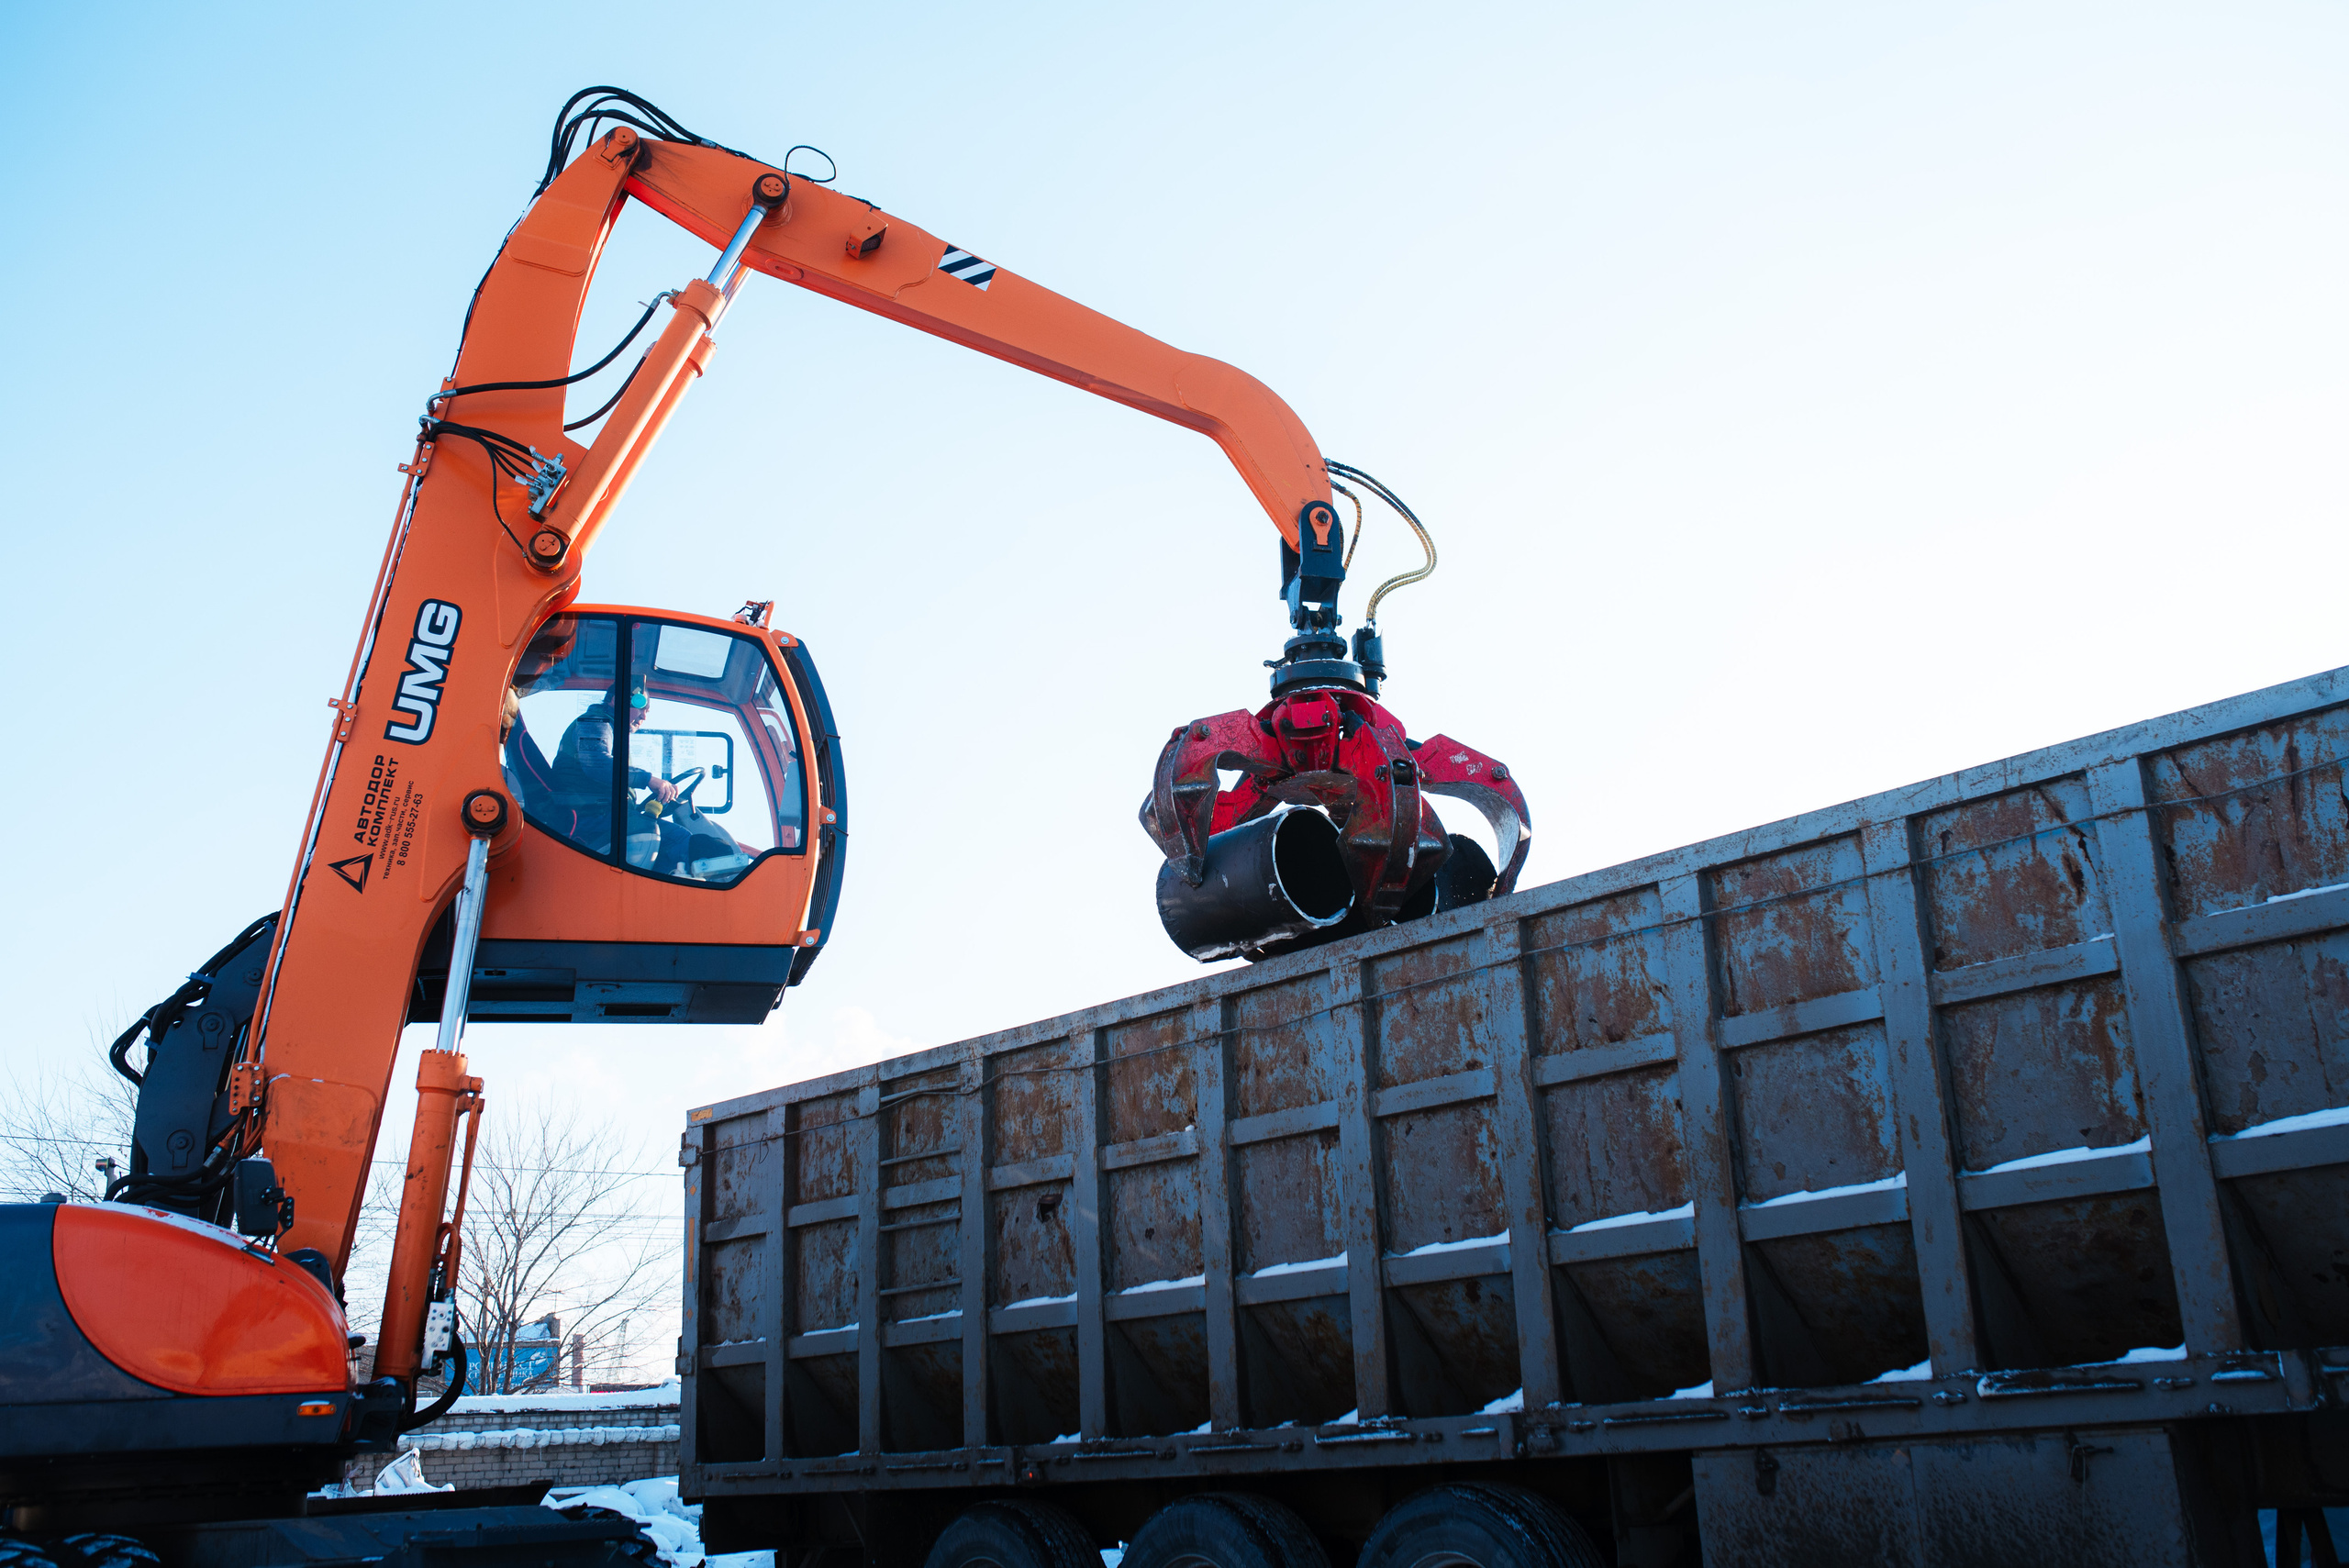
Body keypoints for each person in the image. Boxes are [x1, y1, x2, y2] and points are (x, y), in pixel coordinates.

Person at [551, 684, 687, 868]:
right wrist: (648, 780)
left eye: (647, 711)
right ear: (617, 700)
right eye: (641, 707)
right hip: (588, 816)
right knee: (679, 839)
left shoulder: (608, 727)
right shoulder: (595, 721)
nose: (644, 716)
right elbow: (596, 763)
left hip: (598, 813)